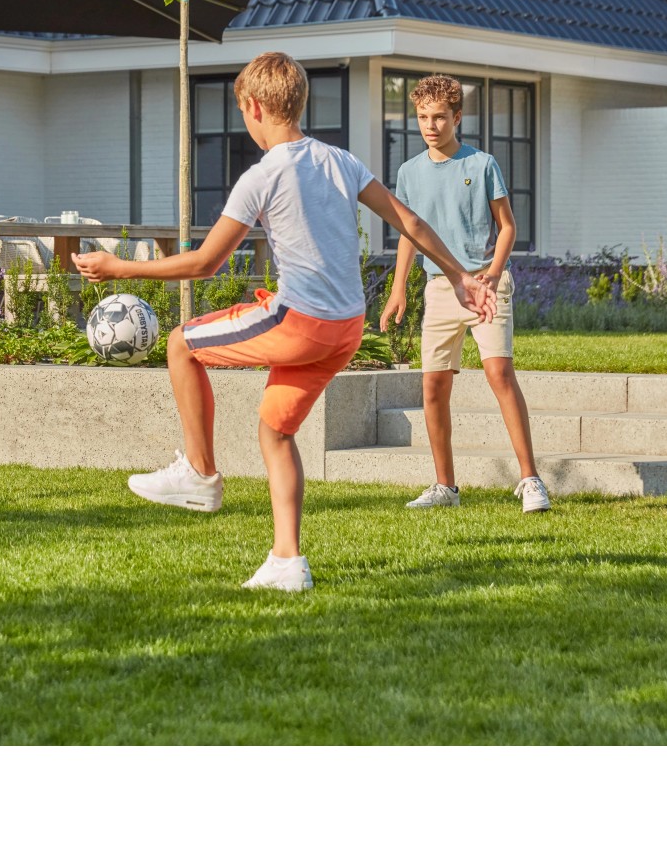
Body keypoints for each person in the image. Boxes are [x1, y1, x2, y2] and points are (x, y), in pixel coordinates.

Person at [74, 51, 495, 592]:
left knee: (181, 343)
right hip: (346, 328)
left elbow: (206, 263)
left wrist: (118, 267)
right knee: (275, 431)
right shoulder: (341, 161)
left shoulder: (262, 175)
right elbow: (408, 219)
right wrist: (460, 276)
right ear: (299, 102)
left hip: (300, 321)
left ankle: (200, 475)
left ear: (253, 108)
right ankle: (287, 562)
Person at [379, 73, 551, 514]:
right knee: (433, 387)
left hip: (485, 285)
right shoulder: (408, 173)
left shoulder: (482, 164)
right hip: (438, 288)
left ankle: (531, 481)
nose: (430, 125)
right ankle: (445, 487)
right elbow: (407, 234)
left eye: (439, 117)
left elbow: (508, 226)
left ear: (458, 116)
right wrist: (399, 289)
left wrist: (493, 275)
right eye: (422, 117)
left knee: (499, 375)